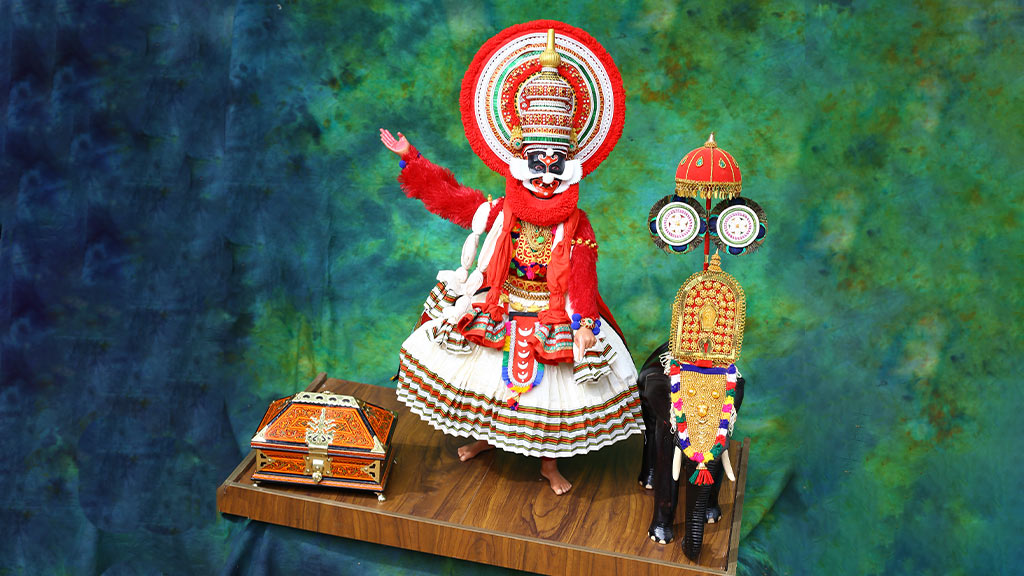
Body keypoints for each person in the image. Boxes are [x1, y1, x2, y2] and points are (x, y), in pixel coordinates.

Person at [380, 26, 642, 495]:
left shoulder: (577, 224)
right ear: (519, 160)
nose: (546, 175)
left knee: (551, 397)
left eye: (557, 163)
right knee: (490, 386)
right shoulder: (500, 212)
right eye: (537, 162)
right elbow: (451, 198)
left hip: (553, 314)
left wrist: (584, 322)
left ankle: (548, 464)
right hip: (500, 304)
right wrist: (411, 160)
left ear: (571, 164)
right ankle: (488, 440)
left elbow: (584, 276)